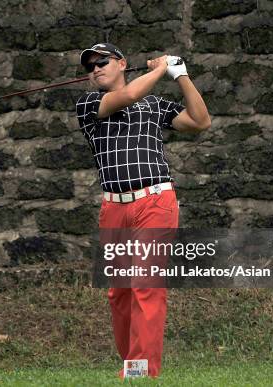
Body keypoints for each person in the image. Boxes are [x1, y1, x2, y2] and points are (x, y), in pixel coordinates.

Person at [75, 43, 210, 378]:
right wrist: (158, 70)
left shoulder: (155, 105)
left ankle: (140, 371)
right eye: (89, 66)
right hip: (114, 208)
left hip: (155, 201)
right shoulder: (89, 104)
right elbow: (127, 97)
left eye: (101, 62)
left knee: (146, 284)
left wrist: (180, 75)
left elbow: (200, 121)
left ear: (121, 63)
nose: (94, 69)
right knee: (119, 293)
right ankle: (131, 363)